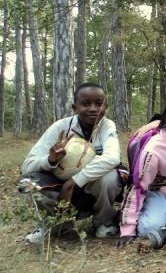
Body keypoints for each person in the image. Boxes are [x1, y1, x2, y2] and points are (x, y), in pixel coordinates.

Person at [21, 83, 123, 243]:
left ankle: (103, 222)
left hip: (89, 187)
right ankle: (57, 226)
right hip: (59, 188)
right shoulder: (60, 127)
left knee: (110, 177)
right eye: (85, 104)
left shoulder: (106, 126)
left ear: (106, 107)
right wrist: (50, 160)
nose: (93, 109)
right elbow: (27, 166)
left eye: (98, 104)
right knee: (29, 182)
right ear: (74, 107)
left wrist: (74, 181)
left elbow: (112, 158)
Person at [115, 96, 166, 249]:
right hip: (157, 193)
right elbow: (138, 188)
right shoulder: (153, 150)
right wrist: (127, 229)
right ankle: (130, 217)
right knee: (149, 228)